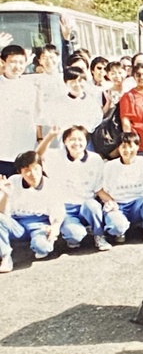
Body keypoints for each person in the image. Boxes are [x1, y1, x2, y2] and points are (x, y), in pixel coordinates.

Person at [36, 125, 112, 251]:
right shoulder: (56, 156)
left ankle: (99, 235)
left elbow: (98, 188)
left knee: (92, 206)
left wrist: (111, 202)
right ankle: (74, 234)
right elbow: (37, 156)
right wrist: (50, 136)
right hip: (66, 207)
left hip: (85, 205)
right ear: (65, 141)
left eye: (80, 139)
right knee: (74, 236)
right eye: (72, 139)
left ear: (86, 142)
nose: (77, 143)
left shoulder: (95, 159)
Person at [0, 151, 65, 272]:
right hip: (18, 223)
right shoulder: (13, 181)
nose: (32, 174)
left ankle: (37, 243)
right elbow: (3, 214)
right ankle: (5, 257)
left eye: (35, 168)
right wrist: (5, 195)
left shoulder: (51, 185)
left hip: (39, 224)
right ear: (20, 172)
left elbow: (58, 210)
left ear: (41, 167)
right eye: (26, 170)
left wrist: (55, 227)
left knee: (43, 248)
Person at [100, 133, 143, 244]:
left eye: (131, 146)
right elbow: (102, 190)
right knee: (118, 227)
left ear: (138, 146)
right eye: (123, 146)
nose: (127, 150)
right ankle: (120, 230)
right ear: (118, 148)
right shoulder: (110, 166)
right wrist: (110, 202)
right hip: (118, 205)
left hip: (137, 204)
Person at [0, 46, 40, 177]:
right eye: (13, 62)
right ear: (3, 62)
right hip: (2, 154)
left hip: (25, 151)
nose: (17, 66)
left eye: (21, 62)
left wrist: (39, 139)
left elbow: (37, 117)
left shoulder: (30, 87)